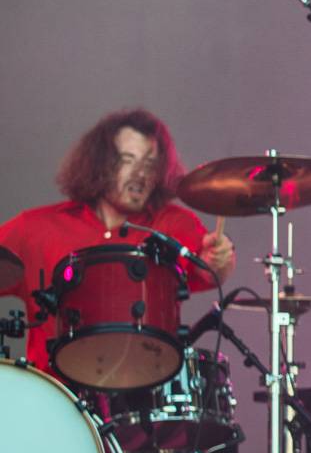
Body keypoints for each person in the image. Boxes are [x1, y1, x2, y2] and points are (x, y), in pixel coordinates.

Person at [0, 107, 236, 371]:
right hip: (54, 397)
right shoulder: (34, 228)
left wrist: (218, 260)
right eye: (127, 160)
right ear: (99, 165)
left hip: (142, 394)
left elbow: (210, 271)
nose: (140, 174)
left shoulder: (172, 223)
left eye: (149, 163)